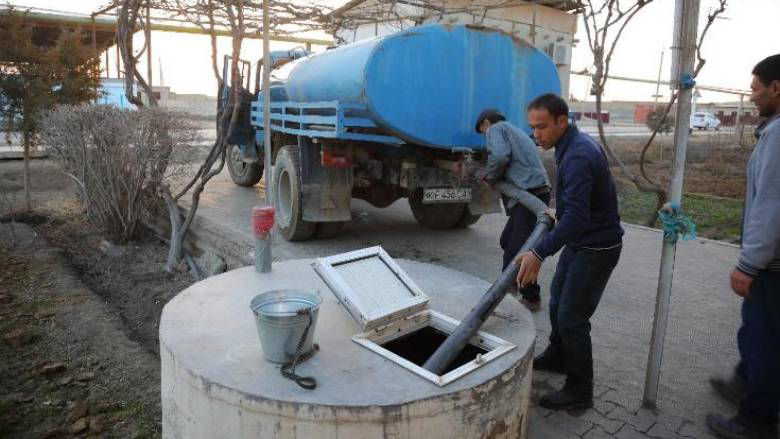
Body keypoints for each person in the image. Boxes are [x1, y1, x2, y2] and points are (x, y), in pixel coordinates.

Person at [514, 94, 623, 410]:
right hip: (581, 242)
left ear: (562, 121)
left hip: (597, 247)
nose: (536, 134)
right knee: (558, 301)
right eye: (533, 127)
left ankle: (580, 390)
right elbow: (576, 205)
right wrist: (557, 211)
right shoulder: (570, 145)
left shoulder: (577, 155)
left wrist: (538, 252)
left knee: (572, 318)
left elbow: (576, 218)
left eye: (542, 127)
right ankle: (559, 354)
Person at [706, 54, 780, 439]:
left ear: (776, 87)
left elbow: (772, 203)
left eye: (755, 89)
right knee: (757, 332)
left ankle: (756, 421)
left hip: (772, 265)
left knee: (765, 340)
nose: (751, 97)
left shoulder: (779, 135)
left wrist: (750, 263)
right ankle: (744, 382)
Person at [475, 108, 551, 312]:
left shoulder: (495, 129)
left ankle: (521, 297)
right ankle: (520, 288)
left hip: (529, 196)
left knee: (516, 252)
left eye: (482, 130)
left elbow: (500, 157)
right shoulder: (514, 130)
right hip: (536, 192)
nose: (484, 134)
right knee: (507, 240)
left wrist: (489, 176)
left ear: (486, 122)